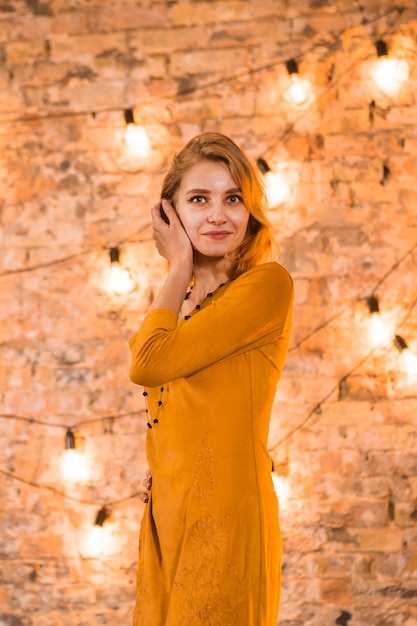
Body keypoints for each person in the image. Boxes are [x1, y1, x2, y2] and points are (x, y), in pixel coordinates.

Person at [128, 132, 294, 626]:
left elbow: (145, 364)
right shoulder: (176, 318)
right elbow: (175, 403)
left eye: (233, 199)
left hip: (226, 519)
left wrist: (178, 263)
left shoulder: (267, 287)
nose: (218, 215)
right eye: (199, 199)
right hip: (167, 518)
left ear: (250, 213)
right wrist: (168, 463)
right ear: (171, 214)